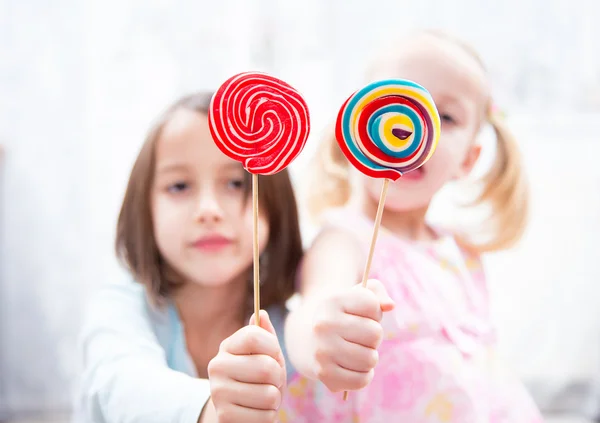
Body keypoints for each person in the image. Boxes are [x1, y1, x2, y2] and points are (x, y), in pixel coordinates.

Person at [282, 30, 544, 422]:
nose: (413, 125)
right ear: (356, 124)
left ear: (468, 160)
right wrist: (321, 336)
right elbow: (314, 308)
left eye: (446, 117)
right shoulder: (344, 239)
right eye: (395, 103)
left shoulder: (459, 251)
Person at [74, 91, 303, 423]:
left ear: (275, 206)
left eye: (237, 183)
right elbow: (120, 387)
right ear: (144, 208)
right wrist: (212, 409)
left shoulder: (287, 328)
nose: (208, 210)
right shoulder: (119, 309)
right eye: (179, 186)